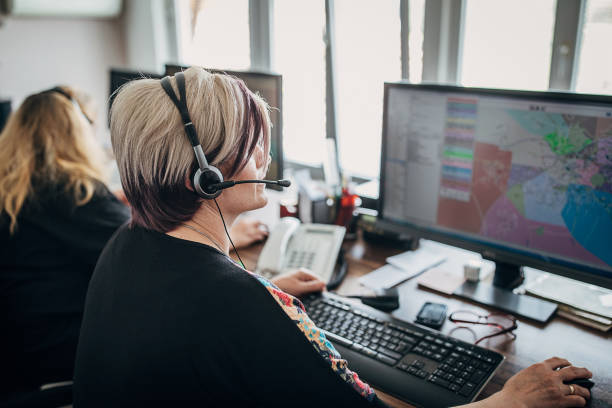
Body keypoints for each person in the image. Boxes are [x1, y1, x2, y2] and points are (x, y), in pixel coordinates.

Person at [73, 67, 593, 408]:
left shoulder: (128, 244)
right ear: (206, 177)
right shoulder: (234, 306)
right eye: (253, 147)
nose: (265, 161)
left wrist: (265, 293)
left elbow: (194, 324)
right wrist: (511, 401)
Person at [0, 86, 268, 404]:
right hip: (57, 359)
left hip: (19, 352)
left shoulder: (21, 190)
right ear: (75, 133)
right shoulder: (75, 194)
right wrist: (265, 283)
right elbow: (165, 247)